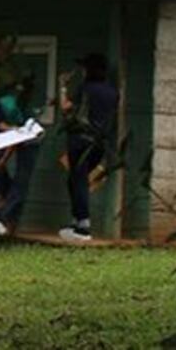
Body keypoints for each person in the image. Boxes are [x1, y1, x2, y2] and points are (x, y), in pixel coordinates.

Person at [59, 53, 119, 242]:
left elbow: (66, 107)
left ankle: (83, 226)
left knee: (78, 180)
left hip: (80, 139)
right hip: (99, 142)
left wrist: (62, 86)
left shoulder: (85, 88)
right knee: (77, 180)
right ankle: (77, 221)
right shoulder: (113, 92)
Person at [0, 78, 39, 234]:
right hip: (16, 134)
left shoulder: (10, 107)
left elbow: (15, 138)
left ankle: (4, 217)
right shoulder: (3, 102)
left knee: (21, 182)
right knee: (2, 176)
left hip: (29, 139)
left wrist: (3, 161)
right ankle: (7, 219)